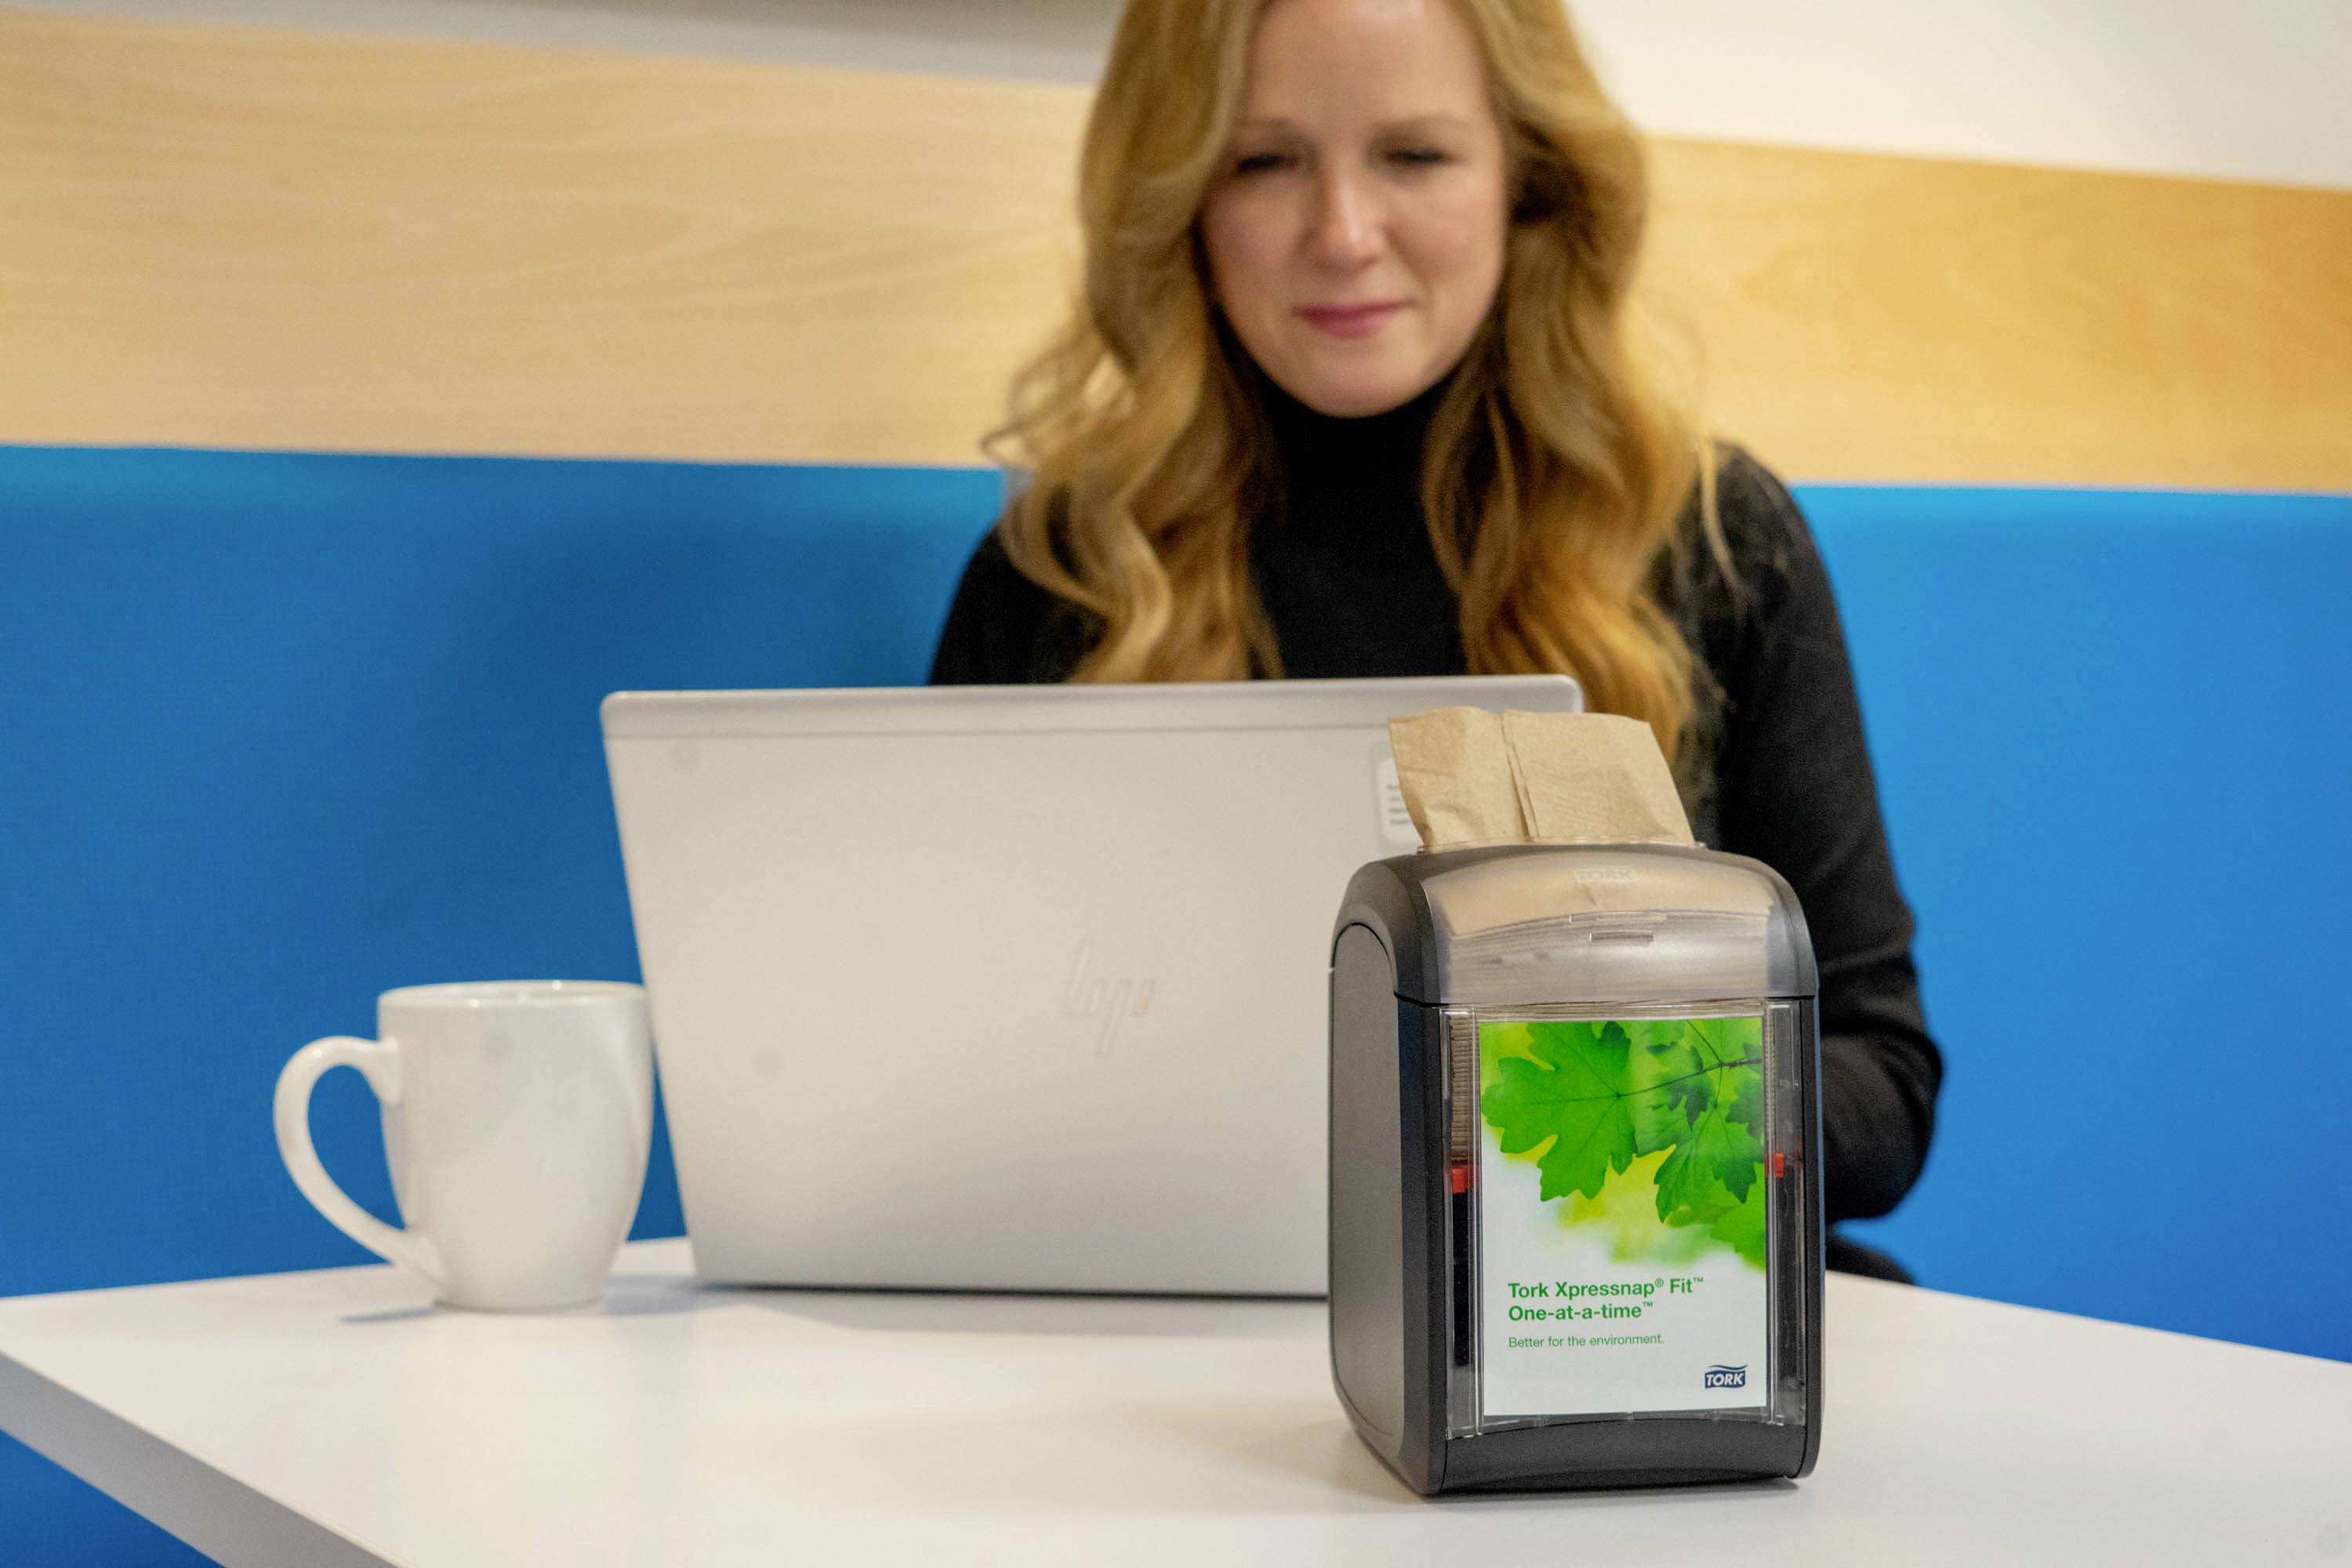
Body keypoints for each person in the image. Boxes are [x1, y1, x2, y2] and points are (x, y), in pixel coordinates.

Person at [929, 0, 1940, 1276]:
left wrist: (1592, 1122)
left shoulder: (1715, 539)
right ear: (1179, 198)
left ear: (1530, 178)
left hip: (1621, 1306)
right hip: (1174, 1310)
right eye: (1264, 160)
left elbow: (1878, 1080)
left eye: (1414, 155)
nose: (1344, 233)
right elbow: (944, 1065)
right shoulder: (1058, 571)